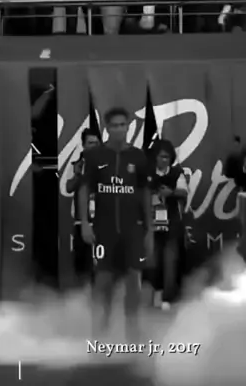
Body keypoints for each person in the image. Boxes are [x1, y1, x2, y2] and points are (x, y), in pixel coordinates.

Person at [78, 107, 153, 342]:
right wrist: (85, 223)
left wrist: (150, 229)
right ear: (107, 128)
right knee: (103, 280)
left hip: (132, 229)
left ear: (129, 127)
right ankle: (100, 335)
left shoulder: (138, 157)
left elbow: (145, 193)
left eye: (123, 125)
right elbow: (83, 190)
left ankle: (133, 335)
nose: (119, 129)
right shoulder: (94, 156)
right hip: (104, 229)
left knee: (133, 280)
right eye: (115, 125)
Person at [147, 139, 189, 310]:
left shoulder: (177, 172)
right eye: (161, 156)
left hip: (172, 224)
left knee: (171, 261)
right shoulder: (147, 173)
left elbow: (184, 191)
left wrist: (171, 193)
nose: (164, 160)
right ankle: (154, 296)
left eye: (167, 157)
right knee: (153, 262)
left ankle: (169, 298)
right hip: (151, 223)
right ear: (155, 157)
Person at [66, 128, 101, 286]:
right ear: (83, 145)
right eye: (90, 143)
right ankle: (82, 296)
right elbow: (69, 187)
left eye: (96, 143)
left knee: (101, 266)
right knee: (82, 266)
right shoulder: (76, 164)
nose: (94, 146)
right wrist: (77, 174)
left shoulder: (108, 163)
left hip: (102, 222)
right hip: (81, 223)